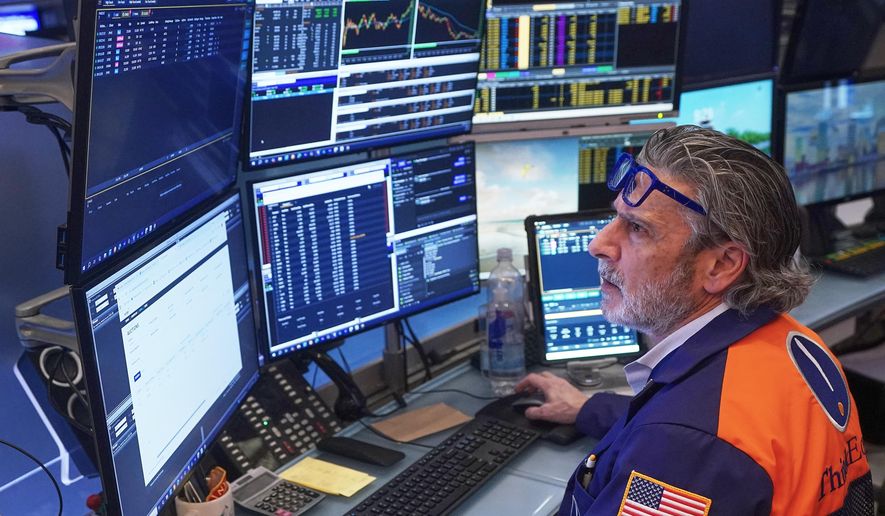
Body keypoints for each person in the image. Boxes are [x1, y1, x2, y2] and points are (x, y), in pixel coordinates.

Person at [516, 125, 874, 515]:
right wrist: (589, 408)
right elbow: (708, 430)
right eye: (615, 217)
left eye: (637, 228)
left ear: (721, 265)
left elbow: (691, 440)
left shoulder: (682, 445)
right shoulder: (791, 342)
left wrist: (668, 435)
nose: (598, 244)